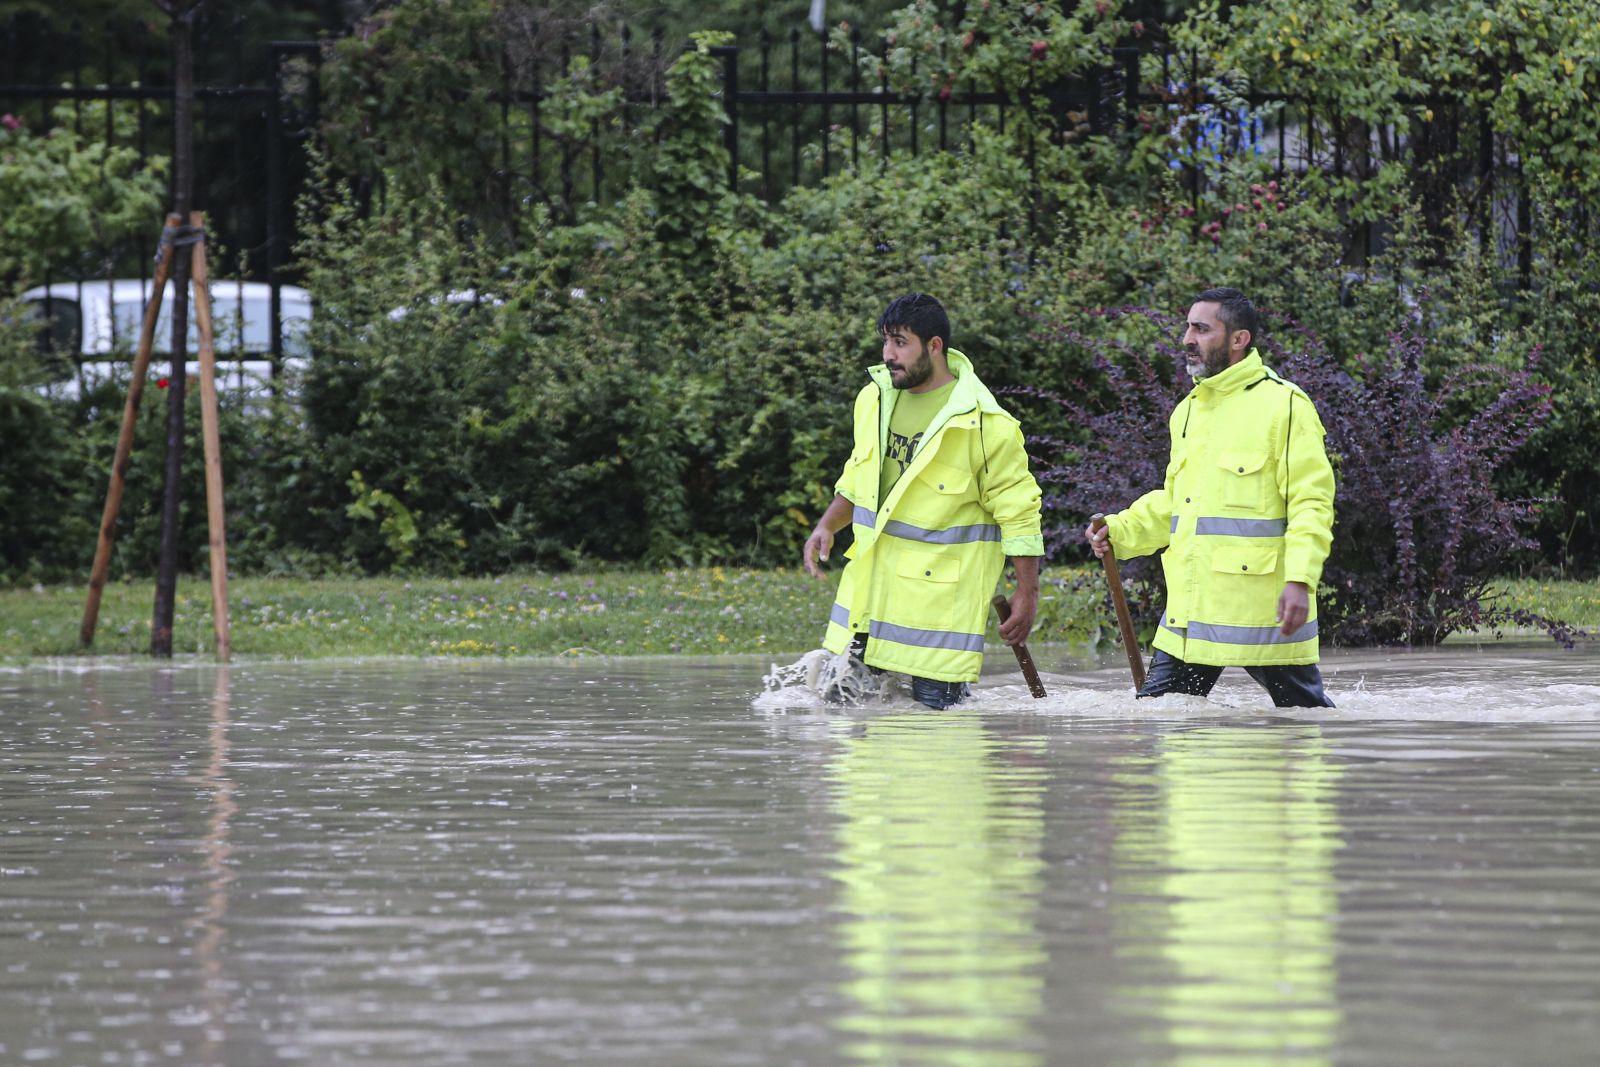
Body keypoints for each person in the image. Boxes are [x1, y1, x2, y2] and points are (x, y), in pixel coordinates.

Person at [1085, 287, 1337, 707]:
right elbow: (1178, 502)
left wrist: (1299, 580)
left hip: (1264, 614)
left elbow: (1311, 503)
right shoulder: (1187, 412)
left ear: (1239, 339)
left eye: (1201, 329)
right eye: (1187, 327)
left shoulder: (1286, 406)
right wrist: (1120, 530)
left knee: (1306, 728)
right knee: (1158, 719)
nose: (1187, 338)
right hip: (1191, 615)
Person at [803, 293, 1044, 709]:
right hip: (870, 605)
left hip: (938, 619)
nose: (888, 354)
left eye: (900, 343)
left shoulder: (985, 424)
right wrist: (827, 525)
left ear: (934, 346)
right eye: (885, 342)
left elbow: (1019, 514)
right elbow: (858, 479)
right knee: (838, 719)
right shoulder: (874, 399)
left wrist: (1028, 592)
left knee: (941, 738)